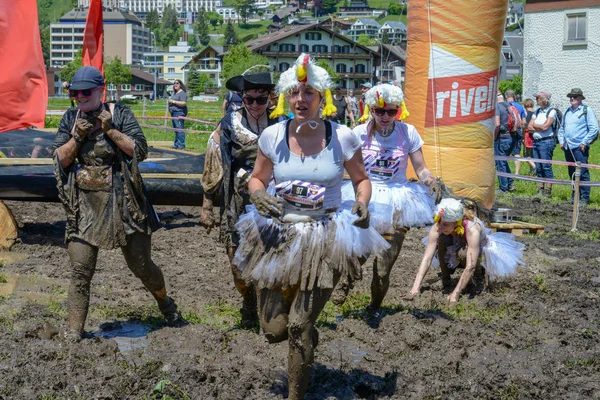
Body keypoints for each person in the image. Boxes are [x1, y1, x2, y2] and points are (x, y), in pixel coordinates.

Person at [232, 54, 389, 399]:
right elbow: (257, 179)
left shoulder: (343, 137)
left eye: (309, 93)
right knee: (274, 330)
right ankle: (305, 340)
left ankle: (296, 392)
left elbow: (362, 180)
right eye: (295, 93)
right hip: (278, 233)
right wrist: (257, 196)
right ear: (287, 97)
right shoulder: (273, 136)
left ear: (322, 99)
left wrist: (362, 202)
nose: (301, 100)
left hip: (325, 233)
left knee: (299, 326)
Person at [52, 66, 187, 341]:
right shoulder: (70, 118)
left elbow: (139, 150)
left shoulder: (120, 113)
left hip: (125, 202)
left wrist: (110, 130)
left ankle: (168, 308)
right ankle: (73, 334)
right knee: (80, 270)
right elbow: (60, 160)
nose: (79, 97)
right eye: (75, 93)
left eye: (85, 92)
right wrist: (77, 137)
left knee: (142, 267)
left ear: (100, 91)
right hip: (85, 206)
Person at [334, 83, 442, 317]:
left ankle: (374, 307)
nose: (385, 116)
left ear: (399, 111)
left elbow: (421, 168)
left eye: (391, 112)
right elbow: (342, 165)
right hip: (367, 199)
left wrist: (431, 181)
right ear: (371, 109)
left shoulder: (407, 132)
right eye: (379, 111)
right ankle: (346, 282)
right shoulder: (358, 134)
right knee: (356, 257)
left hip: (397, 203)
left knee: (382, 270)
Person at [199, 72, 285, 326]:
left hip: (274, 203)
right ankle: (247, 299)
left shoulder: (282, 124)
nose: (255, 105)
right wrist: (207, 206)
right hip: (237, 202)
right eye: (249, 99)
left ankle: (266, 312)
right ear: (242, 98)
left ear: (270, 99)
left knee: (269, 262)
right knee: (238, 268)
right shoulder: (228, 125)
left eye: (261, 100)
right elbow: (213, 166)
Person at [409, 198, 525, 304]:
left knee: (464, 254)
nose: (440, 227)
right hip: (456, 243)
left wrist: (455, 295)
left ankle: (477, 279)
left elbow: (471, 265)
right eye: (439, 222)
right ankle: (446, 279)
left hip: (479, 252)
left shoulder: (472, 229)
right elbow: (427, 258)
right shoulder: (439, 226)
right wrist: (415, 287)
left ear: (456, 222)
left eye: (445, 224)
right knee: (442, 240)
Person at [558, 88, 599, 207]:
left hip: (580, 148)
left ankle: (585, 198)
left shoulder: (587, 110)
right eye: (571, 97)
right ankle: (574, 196)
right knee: (572, 172)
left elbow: (594, 128)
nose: (572, 99)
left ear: (580, 98)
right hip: (568, 147)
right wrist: (561, 141)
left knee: (583, 172)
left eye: (575, 97)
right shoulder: (567, 112)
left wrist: (584, 142)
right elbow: (562, 128)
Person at [528, 90, 556, 198]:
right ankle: (540, 188)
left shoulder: (551, 112)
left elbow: (546, 127)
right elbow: (529, 127)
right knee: (538, 167)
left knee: (546, 166)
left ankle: (548, 190)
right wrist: (538, 126)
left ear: (544, 100)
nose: (536, 100)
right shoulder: (537, 112)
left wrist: (536, 126)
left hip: (546, 142)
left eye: (538, 98)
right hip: (536, 142)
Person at [494, 91, 516, 193]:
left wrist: (494, 137)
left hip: (502, 137)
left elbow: (497, 124)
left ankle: (504, 188)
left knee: (500, 162)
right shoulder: (510, 106)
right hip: (512, 137)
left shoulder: (498, 107)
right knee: (504, 161)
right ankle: (510, 182)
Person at [504, 90, 527, 177]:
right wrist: (523, 133)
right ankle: (516, 173)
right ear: (514, 96)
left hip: (507, 133)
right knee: (516, 153)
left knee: (504, 154)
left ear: (506, 96)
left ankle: (505, 172)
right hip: (518, 132)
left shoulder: (504, 106)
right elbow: (524, 122)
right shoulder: (520, 107)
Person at [168, 79, 188, 149]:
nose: (175, 84)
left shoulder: (182, 93)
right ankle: (176, 144)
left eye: (177, 83)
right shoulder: (175, 93)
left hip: (179, 113)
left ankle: (181, 145)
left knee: (179, 129)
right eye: (174, 83)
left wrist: (173, 101)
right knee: (176, 130)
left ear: (180, 85)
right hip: (174, 114)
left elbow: (183, 103)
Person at [521, 98, 537, 176]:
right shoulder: (536, 113)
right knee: (533, 154)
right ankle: (532, 170)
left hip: (527, 134)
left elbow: (524, 126)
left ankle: (534, 167)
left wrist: (523, 136)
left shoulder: (525, 113)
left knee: (526, 154)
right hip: (535, 134)